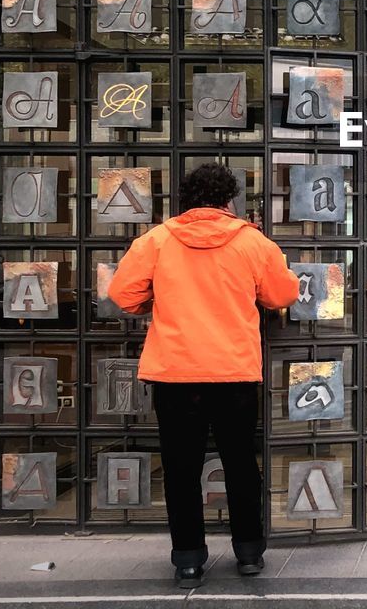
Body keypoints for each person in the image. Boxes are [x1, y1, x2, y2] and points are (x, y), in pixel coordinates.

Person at [109, 163, 299, 588]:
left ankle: (189, 561)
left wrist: (153, 306)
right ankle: (249, 553)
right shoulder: (251, 241)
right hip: (233, 372)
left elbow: (123, 294)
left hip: (175, 374)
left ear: (186, 200)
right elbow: (282, 293)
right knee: (240, 466)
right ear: (228, 200)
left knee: (180, 468)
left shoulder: (156, 240)